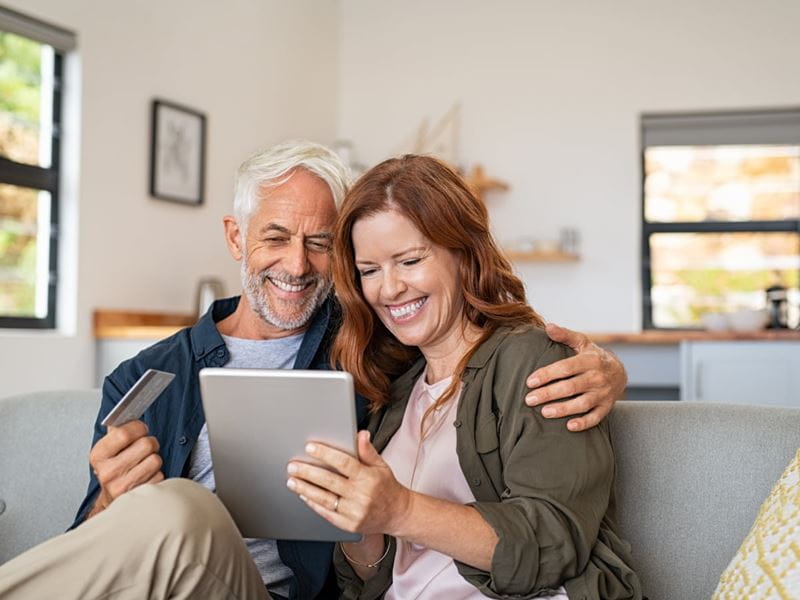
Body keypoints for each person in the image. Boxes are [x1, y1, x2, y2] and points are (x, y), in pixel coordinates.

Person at [0, 142, 627, 600]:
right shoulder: (147, 376)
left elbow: (476, 346)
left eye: (321, 243)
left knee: (179, 508)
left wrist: (603, 369)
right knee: (164, 513)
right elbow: (89, 554)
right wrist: (110, 499)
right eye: (274, 238)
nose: (297, 265)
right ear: (235, 238)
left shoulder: (372, 351)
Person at [285, 155, 642, 599]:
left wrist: (401, 510)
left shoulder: (533, 360)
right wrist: (357, 518)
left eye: (410, 260)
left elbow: (554, 543)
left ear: (463, 253)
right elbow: (370, 581)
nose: (389, 288)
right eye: (370, 271)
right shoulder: (396, 387)